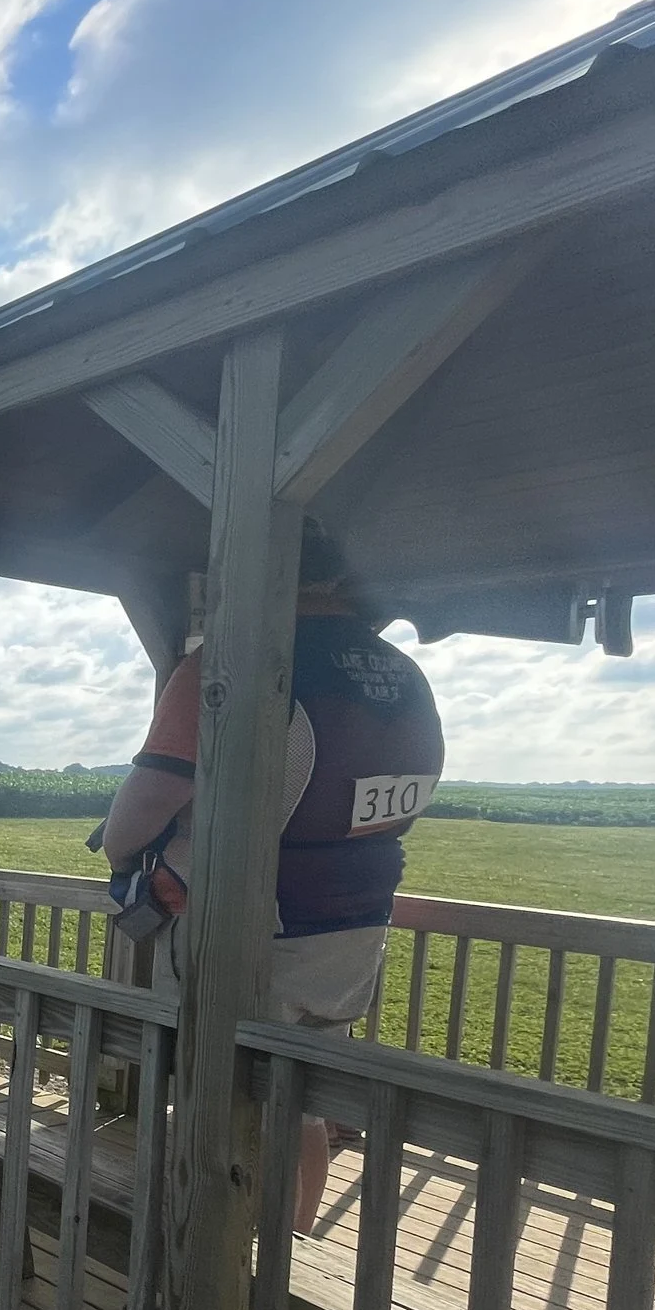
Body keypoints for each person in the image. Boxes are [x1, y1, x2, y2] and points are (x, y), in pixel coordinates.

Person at [101, 521, 444, 1235]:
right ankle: (289, 1256)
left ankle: (203, 1271)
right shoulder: (404, 676)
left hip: (247, 929)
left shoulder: (232, 666)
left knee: (211, 1095)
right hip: (356, 927)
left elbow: (140, 813)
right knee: (305, 1101)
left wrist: (122, 855)